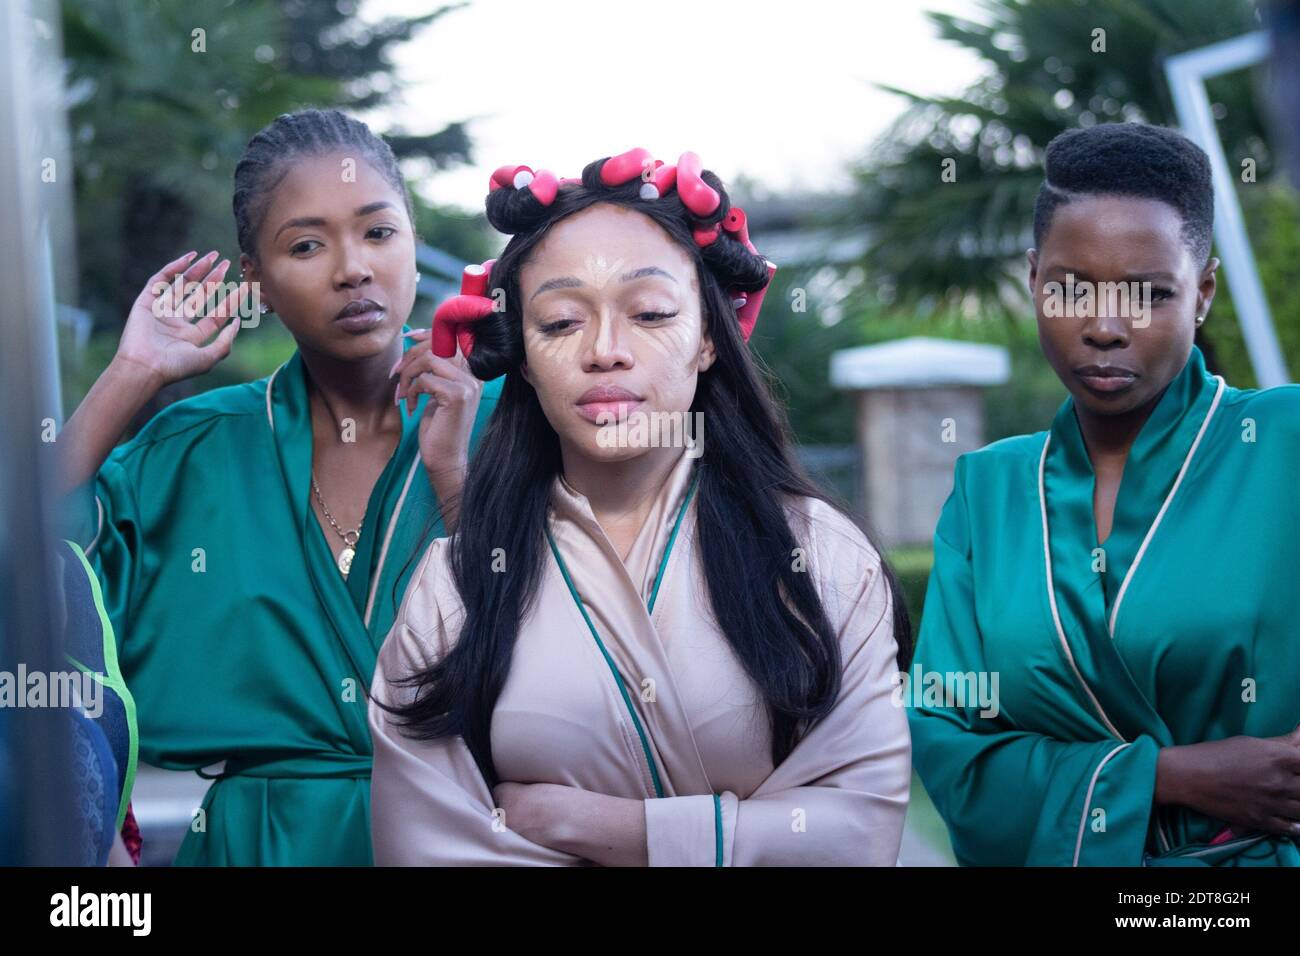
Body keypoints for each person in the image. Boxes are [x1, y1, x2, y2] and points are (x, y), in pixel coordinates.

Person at [368, 148, 913, 866]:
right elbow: (426, 842)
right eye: (561, 322)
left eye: (650, 312)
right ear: (525, 360)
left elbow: (858, 828)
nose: (604, 350)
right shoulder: (456, 580)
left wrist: (611, 829)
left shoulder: (820, 553)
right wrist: (739, 834)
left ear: (711, 338)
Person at [57, 108, 500, 865]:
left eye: (378, 232)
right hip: (254, 846)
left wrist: (454, 474)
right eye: (305, 244)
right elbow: (26, 555)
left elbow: (574, 630)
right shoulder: (193, 447)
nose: (352, 267)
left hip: (471, 836)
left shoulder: (509, 422)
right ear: (255, 277)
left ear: (412, 238)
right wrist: (131, 376)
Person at [908, 123, 1300, 866]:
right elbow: (950, 745)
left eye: (1151, 294)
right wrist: (1169, 778)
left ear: (1205, 291)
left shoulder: (1284, 442)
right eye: (1070, 290)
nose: (1105, 328)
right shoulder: (988, 493)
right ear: (1032, 279)